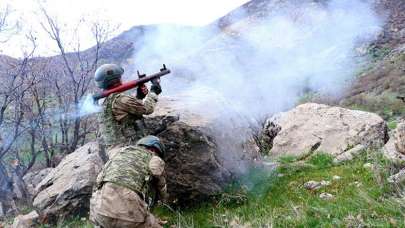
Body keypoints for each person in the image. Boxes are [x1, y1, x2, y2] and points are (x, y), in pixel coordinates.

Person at [90, 135, 168, 228]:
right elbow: (160, 183)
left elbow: (99, 180)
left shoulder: (120, 153)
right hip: (129, 213)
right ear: (155, 150)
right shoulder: (154, 158)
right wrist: (163, 199)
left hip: (99, 211)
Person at [94, 64, 162, 150]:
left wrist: (139, 97)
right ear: (118, 78)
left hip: (115, 149)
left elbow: (125, 111)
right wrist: (154, 91)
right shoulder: (121, 99)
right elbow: (148, 109)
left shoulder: (103, 101)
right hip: (130, 147)